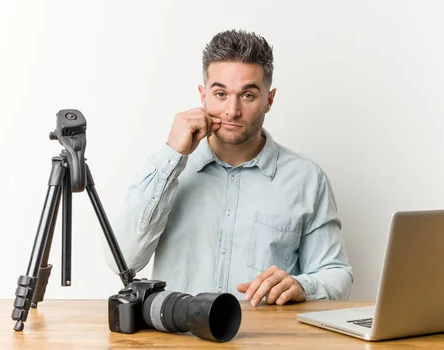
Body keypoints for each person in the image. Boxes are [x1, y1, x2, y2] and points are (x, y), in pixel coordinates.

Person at [106, 29, 353, 307]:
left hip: (263, 345)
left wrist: (302, 285)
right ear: (203, 96)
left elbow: (337, 275)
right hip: (178, 342)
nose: (232, 110)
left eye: (247, 95)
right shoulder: (167, 168)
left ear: (269, 101)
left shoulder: (307, 179)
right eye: (221, 93)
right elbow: (122, 262)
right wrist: (172, 155)